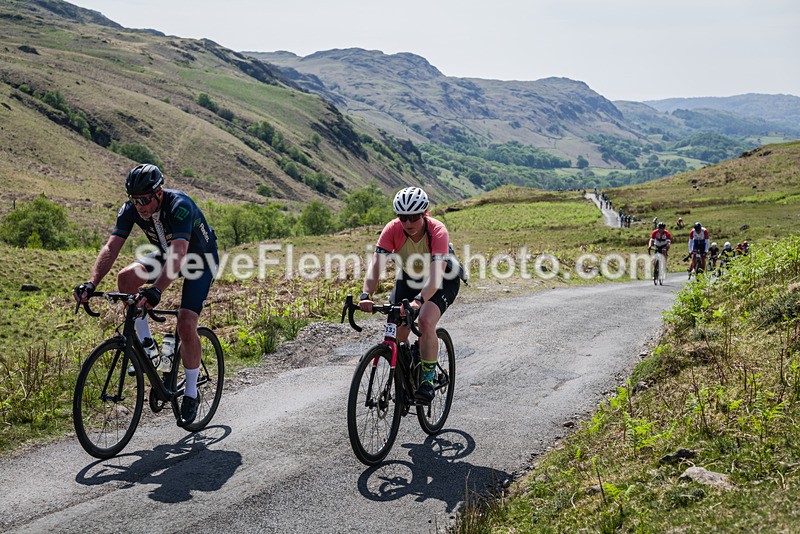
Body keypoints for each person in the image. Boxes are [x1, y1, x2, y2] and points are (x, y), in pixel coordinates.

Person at [73, 164, 218, 427]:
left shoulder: (180, 205)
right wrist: (92, 283)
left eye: (144, 199)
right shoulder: (131, 210)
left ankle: (191, 392)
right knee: (126, 278)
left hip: (199, 260)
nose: (139, 205)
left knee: (186, 323)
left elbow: (180, 255)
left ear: (158, 193)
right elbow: (112, 246)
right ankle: (148, 348)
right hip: (168, 252)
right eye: (134, 199)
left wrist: (156, 291)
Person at [358, 187, 461, 404]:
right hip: (409, 278)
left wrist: (419, 300)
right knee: (396, 331)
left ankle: (426, 380)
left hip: (442, 279)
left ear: (424, 214)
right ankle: (408, 364)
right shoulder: (392, 230)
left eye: (414, 217)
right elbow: (376, 267)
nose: (408, 222)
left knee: (424, 320)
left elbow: (436, 276)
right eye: (403, 217)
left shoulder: (437, 231)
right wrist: (366, 294)